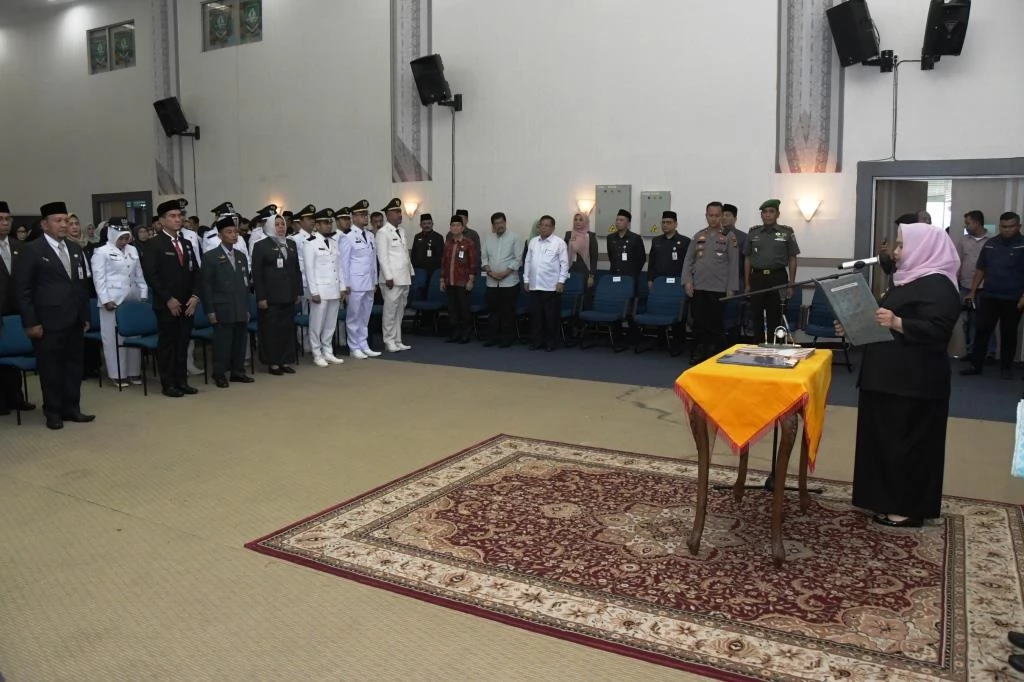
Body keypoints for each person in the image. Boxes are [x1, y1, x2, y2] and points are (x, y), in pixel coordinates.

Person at [837, 223, 960, 527]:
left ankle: (907, 508)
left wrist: (898, 322)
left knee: (907, 445)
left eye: (902, 245)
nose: (895, 252)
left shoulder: (939, 284)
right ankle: (882, 499)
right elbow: (883, 320)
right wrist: (853, 327)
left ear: (924, 248)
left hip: (914, 382)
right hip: (886, 377)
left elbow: (938, 330)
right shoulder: (906, 279)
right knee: (883, 441)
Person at [13, 202, 94, 429]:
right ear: (44, 224)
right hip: (47, 322)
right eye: (58, 221)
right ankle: (53, 412)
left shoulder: (75, 248)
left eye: (65, 220)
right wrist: (31, 322)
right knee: (51, 370)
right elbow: (23, 290)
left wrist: (85, 316)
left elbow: (82, 286)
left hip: (74, 320)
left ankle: (72, 408)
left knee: (73, 367)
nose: (64, 225)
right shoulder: (32, 250)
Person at [141, 199, 201, 398]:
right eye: (172, 216)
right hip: (167, 304)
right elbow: (152, 275)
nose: (178, 219)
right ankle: (169, 384)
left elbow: (196, 272)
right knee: (168, 344)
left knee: (183, 342)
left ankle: (182, 381)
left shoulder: (187, 243)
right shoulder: (154, 244)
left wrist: (195, 295)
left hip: (187, 303)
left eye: (179, 215)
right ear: (162, 221)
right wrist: (168, 298)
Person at [960, 212, 1024, 379]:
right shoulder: (990, 244)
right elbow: (981, 269)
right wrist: (973, 291)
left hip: (1013, 298)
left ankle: (1006, 368)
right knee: (982, 330)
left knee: (1008, 333)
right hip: (990, 296)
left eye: (1011, 226)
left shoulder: (1022, 245)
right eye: (1004, 226)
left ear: (1019, 226)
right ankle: (975, 365)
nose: (1007, 230)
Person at [91, 218, 147, 388]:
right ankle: (117, 374)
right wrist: (105, 300)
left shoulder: (132, 250)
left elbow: (139, 275)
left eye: (126, 238)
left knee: (133, 336)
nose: (124, 241)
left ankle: (133, 371)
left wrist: (143, 294)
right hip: (112, 300)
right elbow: (99, 279)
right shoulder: (101, 252)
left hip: (132, 298)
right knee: (114, 338)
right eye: (121, 238)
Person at [201, 215, 254, 387]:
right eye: (229, 232)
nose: (233, 235)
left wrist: (246, 308)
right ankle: (219, 373)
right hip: (222, 307)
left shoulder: (240, 256)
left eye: (235, 232)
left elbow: (245, 285)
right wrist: (210, 310)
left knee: (240, 341)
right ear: (220, 235)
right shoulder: (210, 257)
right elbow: (206, 287)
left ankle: (237, 371)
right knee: (222, 343)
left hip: (240, 305)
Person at [682, 203, 739, 362]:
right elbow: (688, 260)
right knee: (698, 323)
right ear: (706, 216)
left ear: (722, 216)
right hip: (698, 287)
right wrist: (687, 281)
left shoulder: (729, 236)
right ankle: (698, 351)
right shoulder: (699, 235)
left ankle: (714, 354)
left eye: (716, 215)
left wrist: (731, 288)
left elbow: (734, 264)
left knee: (715, 324)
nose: (713, 219)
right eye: (710, 215)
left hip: (719, 288)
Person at [251, 210, 301, 375]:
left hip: (288, 295)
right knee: (271, 331)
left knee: (287, 330)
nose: (281, 227)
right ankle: (273, 363)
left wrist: (297, 292)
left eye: (282, 224)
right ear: (270, 226)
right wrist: (261, 297)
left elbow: (296, 270)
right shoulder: (261, 245)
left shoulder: (291, 244)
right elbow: (257, 274)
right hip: (270, 297)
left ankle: (285, 360)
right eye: (277, 225)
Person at [744, 199, 799, 341]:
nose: (767, 215)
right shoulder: (753, 233)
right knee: (756, 315)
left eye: (771, 211)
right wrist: (747, 283)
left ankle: (775, 346)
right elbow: (748, 259)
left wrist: (791, 283)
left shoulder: (786, 233)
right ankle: (758, 346)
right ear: (761, 215)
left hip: (778, 277)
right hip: (757, 278)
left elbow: (792, 258)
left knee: (775, 315)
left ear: (778, 214)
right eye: (764, 212)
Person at [0, 201, 35, 416]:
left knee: (16, 351)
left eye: (7, 219)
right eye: (0, 219)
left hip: (16, 309)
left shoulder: (19, 246)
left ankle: (16, 397)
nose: (4, 223)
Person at [304, 208, 346, 367]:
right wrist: (313, 291)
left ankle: (328, 351)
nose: (329, 226)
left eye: (330, 223)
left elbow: (339, 267)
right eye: (325, 223)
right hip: (320, 290)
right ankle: (317, 353)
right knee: (317, 324)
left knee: (330, 323)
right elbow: (309, 269)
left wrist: (342, 286)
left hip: (334, 289)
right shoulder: (310, 243)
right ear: (317, 225)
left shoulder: (334, 242)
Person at [339, 199, 380, 359]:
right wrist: (346, 284)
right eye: (362, 215)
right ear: (354, 217)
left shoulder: (370, 235)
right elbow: (344, 263)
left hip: (368, 282)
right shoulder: (347, 237)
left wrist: (375, 281)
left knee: (365, 316)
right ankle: (354, 347)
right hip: (355, 284)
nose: (365, 218)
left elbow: (373, 261)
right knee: (353, 317)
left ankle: (363, 344)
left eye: (366, 215)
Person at [523, 215, 569, 351]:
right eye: (541, 225)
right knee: (536, 317)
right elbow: (528, 261)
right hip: (535, 285)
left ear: (553, 228)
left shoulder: (559, 243)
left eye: (547, 225)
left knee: (551, 317)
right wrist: (526, 279)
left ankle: (551, 343)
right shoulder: (533, 242)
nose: (543, 228)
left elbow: (564, 264)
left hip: (551, 286)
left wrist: (561, 281)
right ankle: (537, 342)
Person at [376, 197, 414, 353]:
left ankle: (397, 340)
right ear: (388, 215)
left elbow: (405, 254)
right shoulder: (382, 233)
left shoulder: (402, 231)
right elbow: (382, 257)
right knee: (390, 312)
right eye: (396, 212)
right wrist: (388, 277)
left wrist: (411, 272)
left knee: (400, 311)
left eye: (400, 211)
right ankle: (389, 340)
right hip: (392, 279)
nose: (400, 214)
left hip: (404, 277)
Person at [481, 211, 522, 347]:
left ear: (505, 222)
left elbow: (518, 259)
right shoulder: (488, 238)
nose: (499, 225)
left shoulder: (515, 237)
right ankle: (492, 338)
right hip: (491, 282)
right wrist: (490, 272)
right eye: (496, 223)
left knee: (507, 312)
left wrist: (505, 273)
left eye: (501, 222)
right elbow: (484, 258)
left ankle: (507, 339)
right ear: (493, 225)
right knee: (493, 312)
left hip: (509, 283)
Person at [441, 215, 478, 343]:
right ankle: (455, 333)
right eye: (453, 225)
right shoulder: (448, 243)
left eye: (458, 225)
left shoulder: (469, 243)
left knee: (464, 309)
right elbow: (443, 263)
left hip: (463, 282)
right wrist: (442, 279)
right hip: (449, 281)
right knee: (452, 310)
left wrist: (471, 280)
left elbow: (473, 263)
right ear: (450, 228)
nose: (455, 228)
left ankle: (466, 334)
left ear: (462, 228)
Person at [564, 212, 598, 305]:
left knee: (584, 296)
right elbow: (564, 254)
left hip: (585, 270)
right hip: (570, 268)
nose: (577, 222)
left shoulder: (590, 236)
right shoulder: (568, 235)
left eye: (580, 219)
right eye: (575, 219)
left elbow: (594, 257)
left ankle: (583, 313)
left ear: (586, 221)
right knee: (570, 295)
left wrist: (591, 276)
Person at [411, 213, 444, 280]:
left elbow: (441, 255)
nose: (426, 225)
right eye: (424, 223)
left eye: (429, 223)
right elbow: (413, 253)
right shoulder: (417, 237)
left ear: (432, 224)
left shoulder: (438, 237)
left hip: (434, 271)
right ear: (420, 225)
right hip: (419, 270)